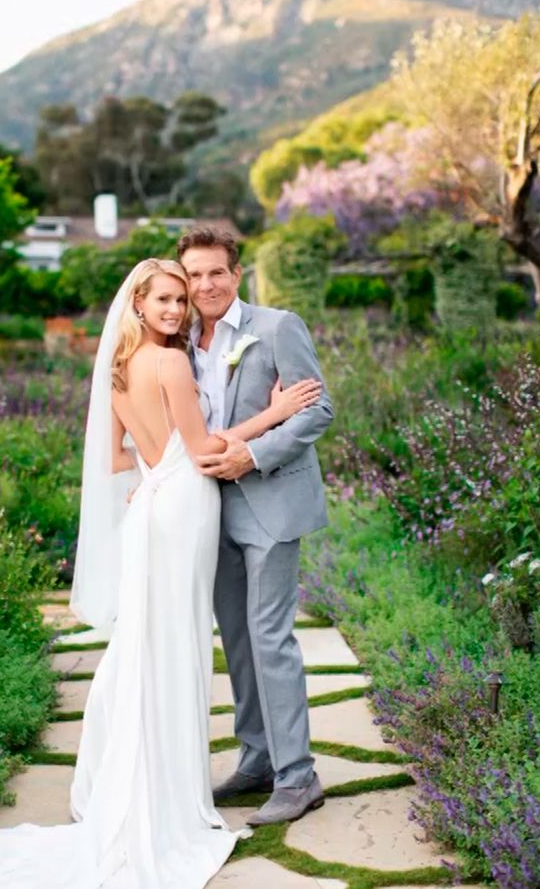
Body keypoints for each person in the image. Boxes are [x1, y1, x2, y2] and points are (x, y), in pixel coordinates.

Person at [0, 258, 322, 888]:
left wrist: (155, 465)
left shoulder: (118, 367)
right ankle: (165, 797)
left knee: (149, 642)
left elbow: (118, 453)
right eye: (165, 300)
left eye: (180, 300)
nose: (176, 310)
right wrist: (273, 413)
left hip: (152, 506)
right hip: (185, 507)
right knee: (172, 644)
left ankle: (139, 782)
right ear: (138, 304)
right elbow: (202, 452)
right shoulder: (170, 362)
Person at [179, 227, 334, 826]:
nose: (205, 285)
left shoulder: (275, 327)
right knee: (237, 641)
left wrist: (256, 453)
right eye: (194, 275)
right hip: (207, 507)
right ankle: (258, 760)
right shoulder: (181, 340)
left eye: (216, 272)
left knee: (270, 637)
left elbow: (319, 409)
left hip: (269, 504)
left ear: (235, 273)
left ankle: (299, 777)